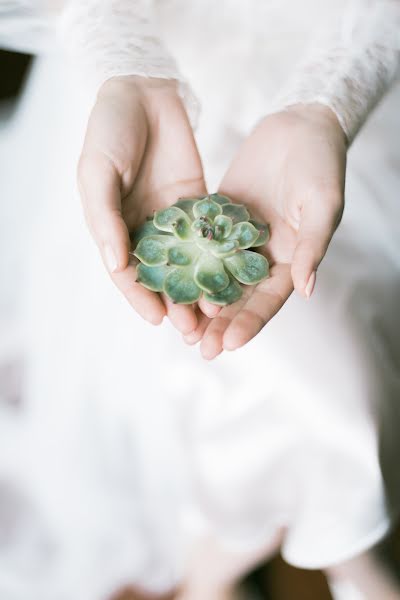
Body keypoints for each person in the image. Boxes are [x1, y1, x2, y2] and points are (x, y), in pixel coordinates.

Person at [0, 1, 399, 599]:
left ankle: (341, 546)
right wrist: (123, 56)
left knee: (330, 383)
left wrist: (336, 91)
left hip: (347, 64)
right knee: (199, 386)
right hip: (158, 67)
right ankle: (231, 560)